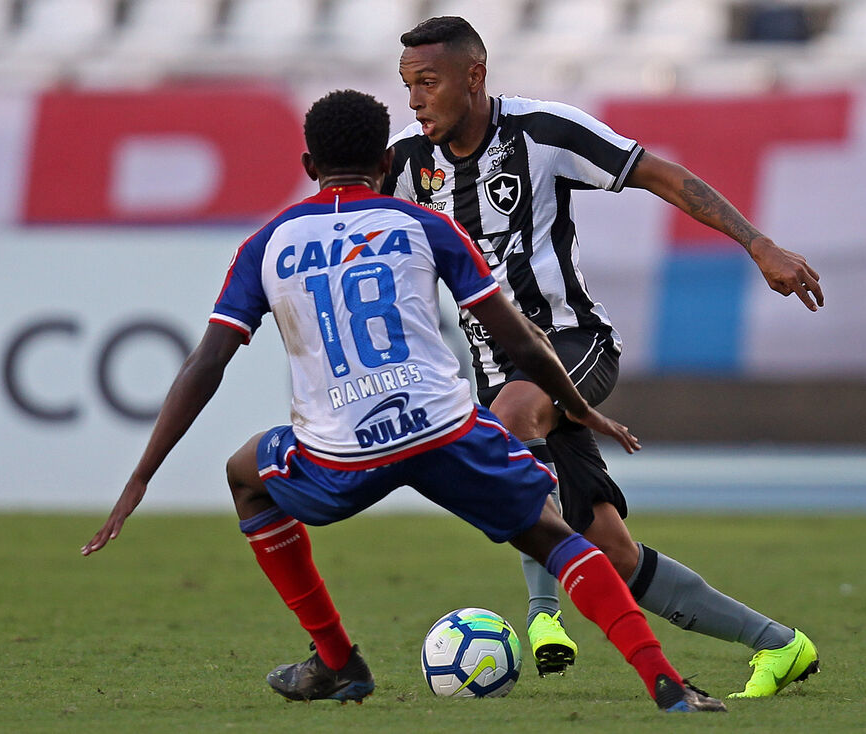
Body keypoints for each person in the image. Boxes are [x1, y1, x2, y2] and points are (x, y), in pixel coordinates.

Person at [82, 89, 727, 713]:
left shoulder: (267, 244)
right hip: (445, 430)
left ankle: (336, 661)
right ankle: (665, 683)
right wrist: (578, 405)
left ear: (308, 167)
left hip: (342, 450)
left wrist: (141, 475)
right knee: (555, 536)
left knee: (246, 476)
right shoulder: (427, 224)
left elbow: (206, 363)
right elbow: (522, 343)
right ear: (387, 164)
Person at [385, 16, 821, 698]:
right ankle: (780, 646)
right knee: (610, 550)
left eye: (429, 83)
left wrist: (757, 243)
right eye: (408, 85)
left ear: (474, 77)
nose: (414, 100)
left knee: (510, 424)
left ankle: (541, 618)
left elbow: (663, 177)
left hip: (574, 347)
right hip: (496, 374)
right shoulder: (408, 163)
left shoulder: (543, 132)